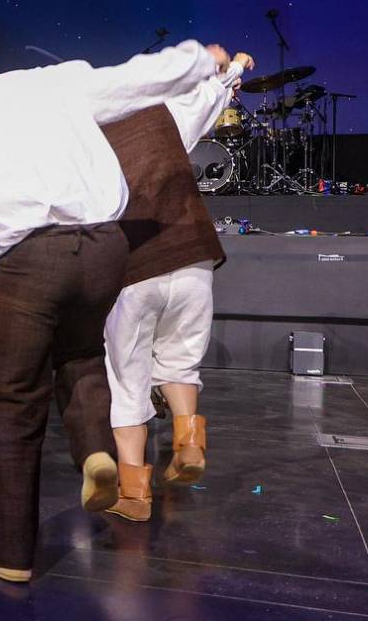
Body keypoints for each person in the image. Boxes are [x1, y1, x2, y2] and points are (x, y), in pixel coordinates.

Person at [0, 7, 229, 581]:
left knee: (10, 398)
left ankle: (10, 554)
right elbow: (132, 78)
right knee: (80, 353)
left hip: (37, 256)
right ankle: (95, 453)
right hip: (108, 248)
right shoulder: (51, 82)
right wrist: (199, 60)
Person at [100, 51, 253, 522]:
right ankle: (188, 441)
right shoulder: (165, 117)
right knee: (181, 362)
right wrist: (232, 72)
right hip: (193, 254)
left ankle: (133, 495)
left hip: (136, 264)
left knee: (128, 380)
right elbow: (209, 101)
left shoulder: (88, 135)